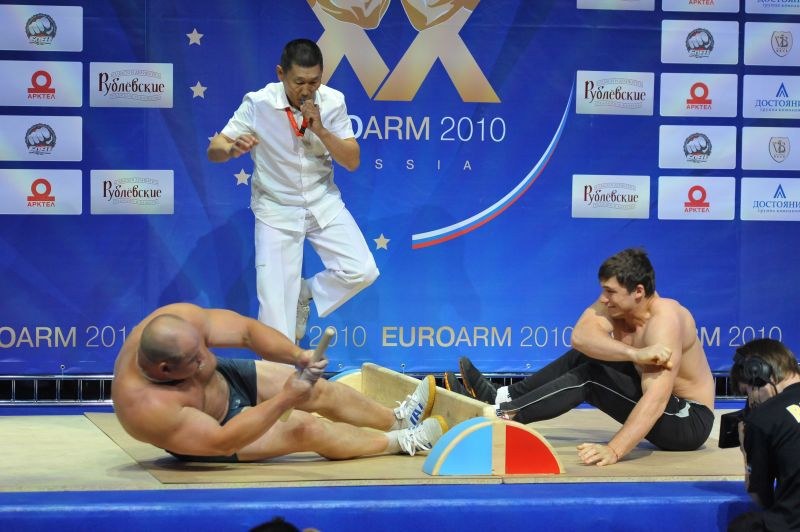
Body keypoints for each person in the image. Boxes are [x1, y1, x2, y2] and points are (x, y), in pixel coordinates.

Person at [445, 248, 716, 466]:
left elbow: (656, 401)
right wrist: (634, 352)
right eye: (603, 289)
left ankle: (499, 416)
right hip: (663, 407)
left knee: (591, 379)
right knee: (585, 356)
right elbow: (582, 338)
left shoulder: (665, 321)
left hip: (688, 421)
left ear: (639, 292)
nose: (603, 298)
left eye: (610, 292)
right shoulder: (620, 307)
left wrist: (615, 449)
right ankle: (502, 397)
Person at [111, 302, 446, 462]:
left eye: (204, 347)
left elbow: (245, 331)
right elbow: (222, 441)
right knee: (307, 429)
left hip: (225, 385)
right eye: (196, 359)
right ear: (165, 370)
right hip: (218, 431)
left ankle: (395, 418)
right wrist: (285, 399)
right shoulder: (145, 407)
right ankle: (400, 441)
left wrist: (296, 355)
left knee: (317, 389)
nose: (208, 359)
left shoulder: (175, 323)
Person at [207, 38, 378, 343]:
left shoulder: (333, 102)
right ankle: (280, 386)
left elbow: (352, 161)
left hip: (322, 202)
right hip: (276, 210)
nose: (306, 90)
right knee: (276, 320)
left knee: (361, 270)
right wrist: (232, 148)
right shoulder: (258, 104)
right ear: (280, 74)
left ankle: (305, 292)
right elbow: (215, 149)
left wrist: (321, 130)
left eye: (314, 81)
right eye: (299, 81)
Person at [727, 339, 800, 532]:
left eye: (747, 391)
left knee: (743, 526)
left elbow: (761, 497)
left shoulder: (762, 419)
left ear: (757, 373)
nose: (750, 402)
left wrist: (746, 449)